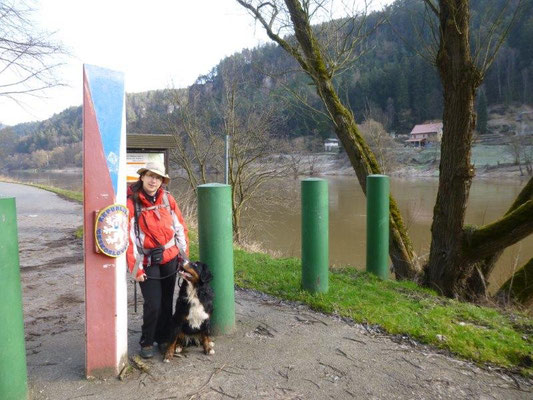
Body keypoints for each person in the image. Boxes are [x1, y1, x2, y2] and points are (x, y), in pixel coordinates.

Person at [126, 161, 189, 359]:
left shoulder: (168, 199)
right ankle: (146, 340)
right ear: (142, 176)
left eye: (158, 177)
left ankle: (163, 338)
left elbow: (180, 228)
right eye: (150, 175)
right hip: (147, 261)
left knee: (166, 301)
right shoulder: (131, 203)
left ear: (162, 181)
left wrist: (183, 257)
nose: (154, 180)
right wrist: (136, 268)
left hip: (170, 257)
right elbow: (127, 238)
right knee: (153, 303)